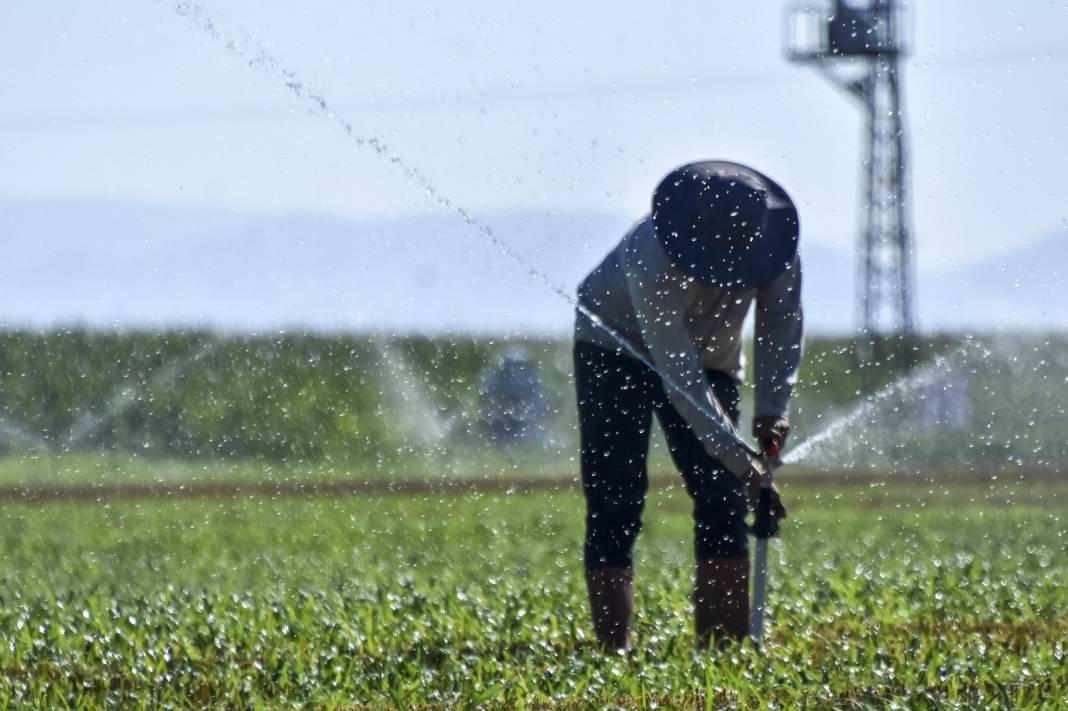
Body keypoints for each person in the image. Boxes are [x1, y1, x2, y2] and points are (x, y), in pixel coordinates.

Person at [573, 160, 801, 650]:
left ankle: (724, 651)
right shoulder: (651, 256)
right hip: (614, 349)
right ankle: (615, 652)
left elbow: (780, 327)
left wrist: (772, 412)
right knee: (616, 498)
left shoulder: (777, 249)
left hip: (711, 360)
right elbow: (680, 382)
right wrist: (746, 462)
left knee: (722, 497)